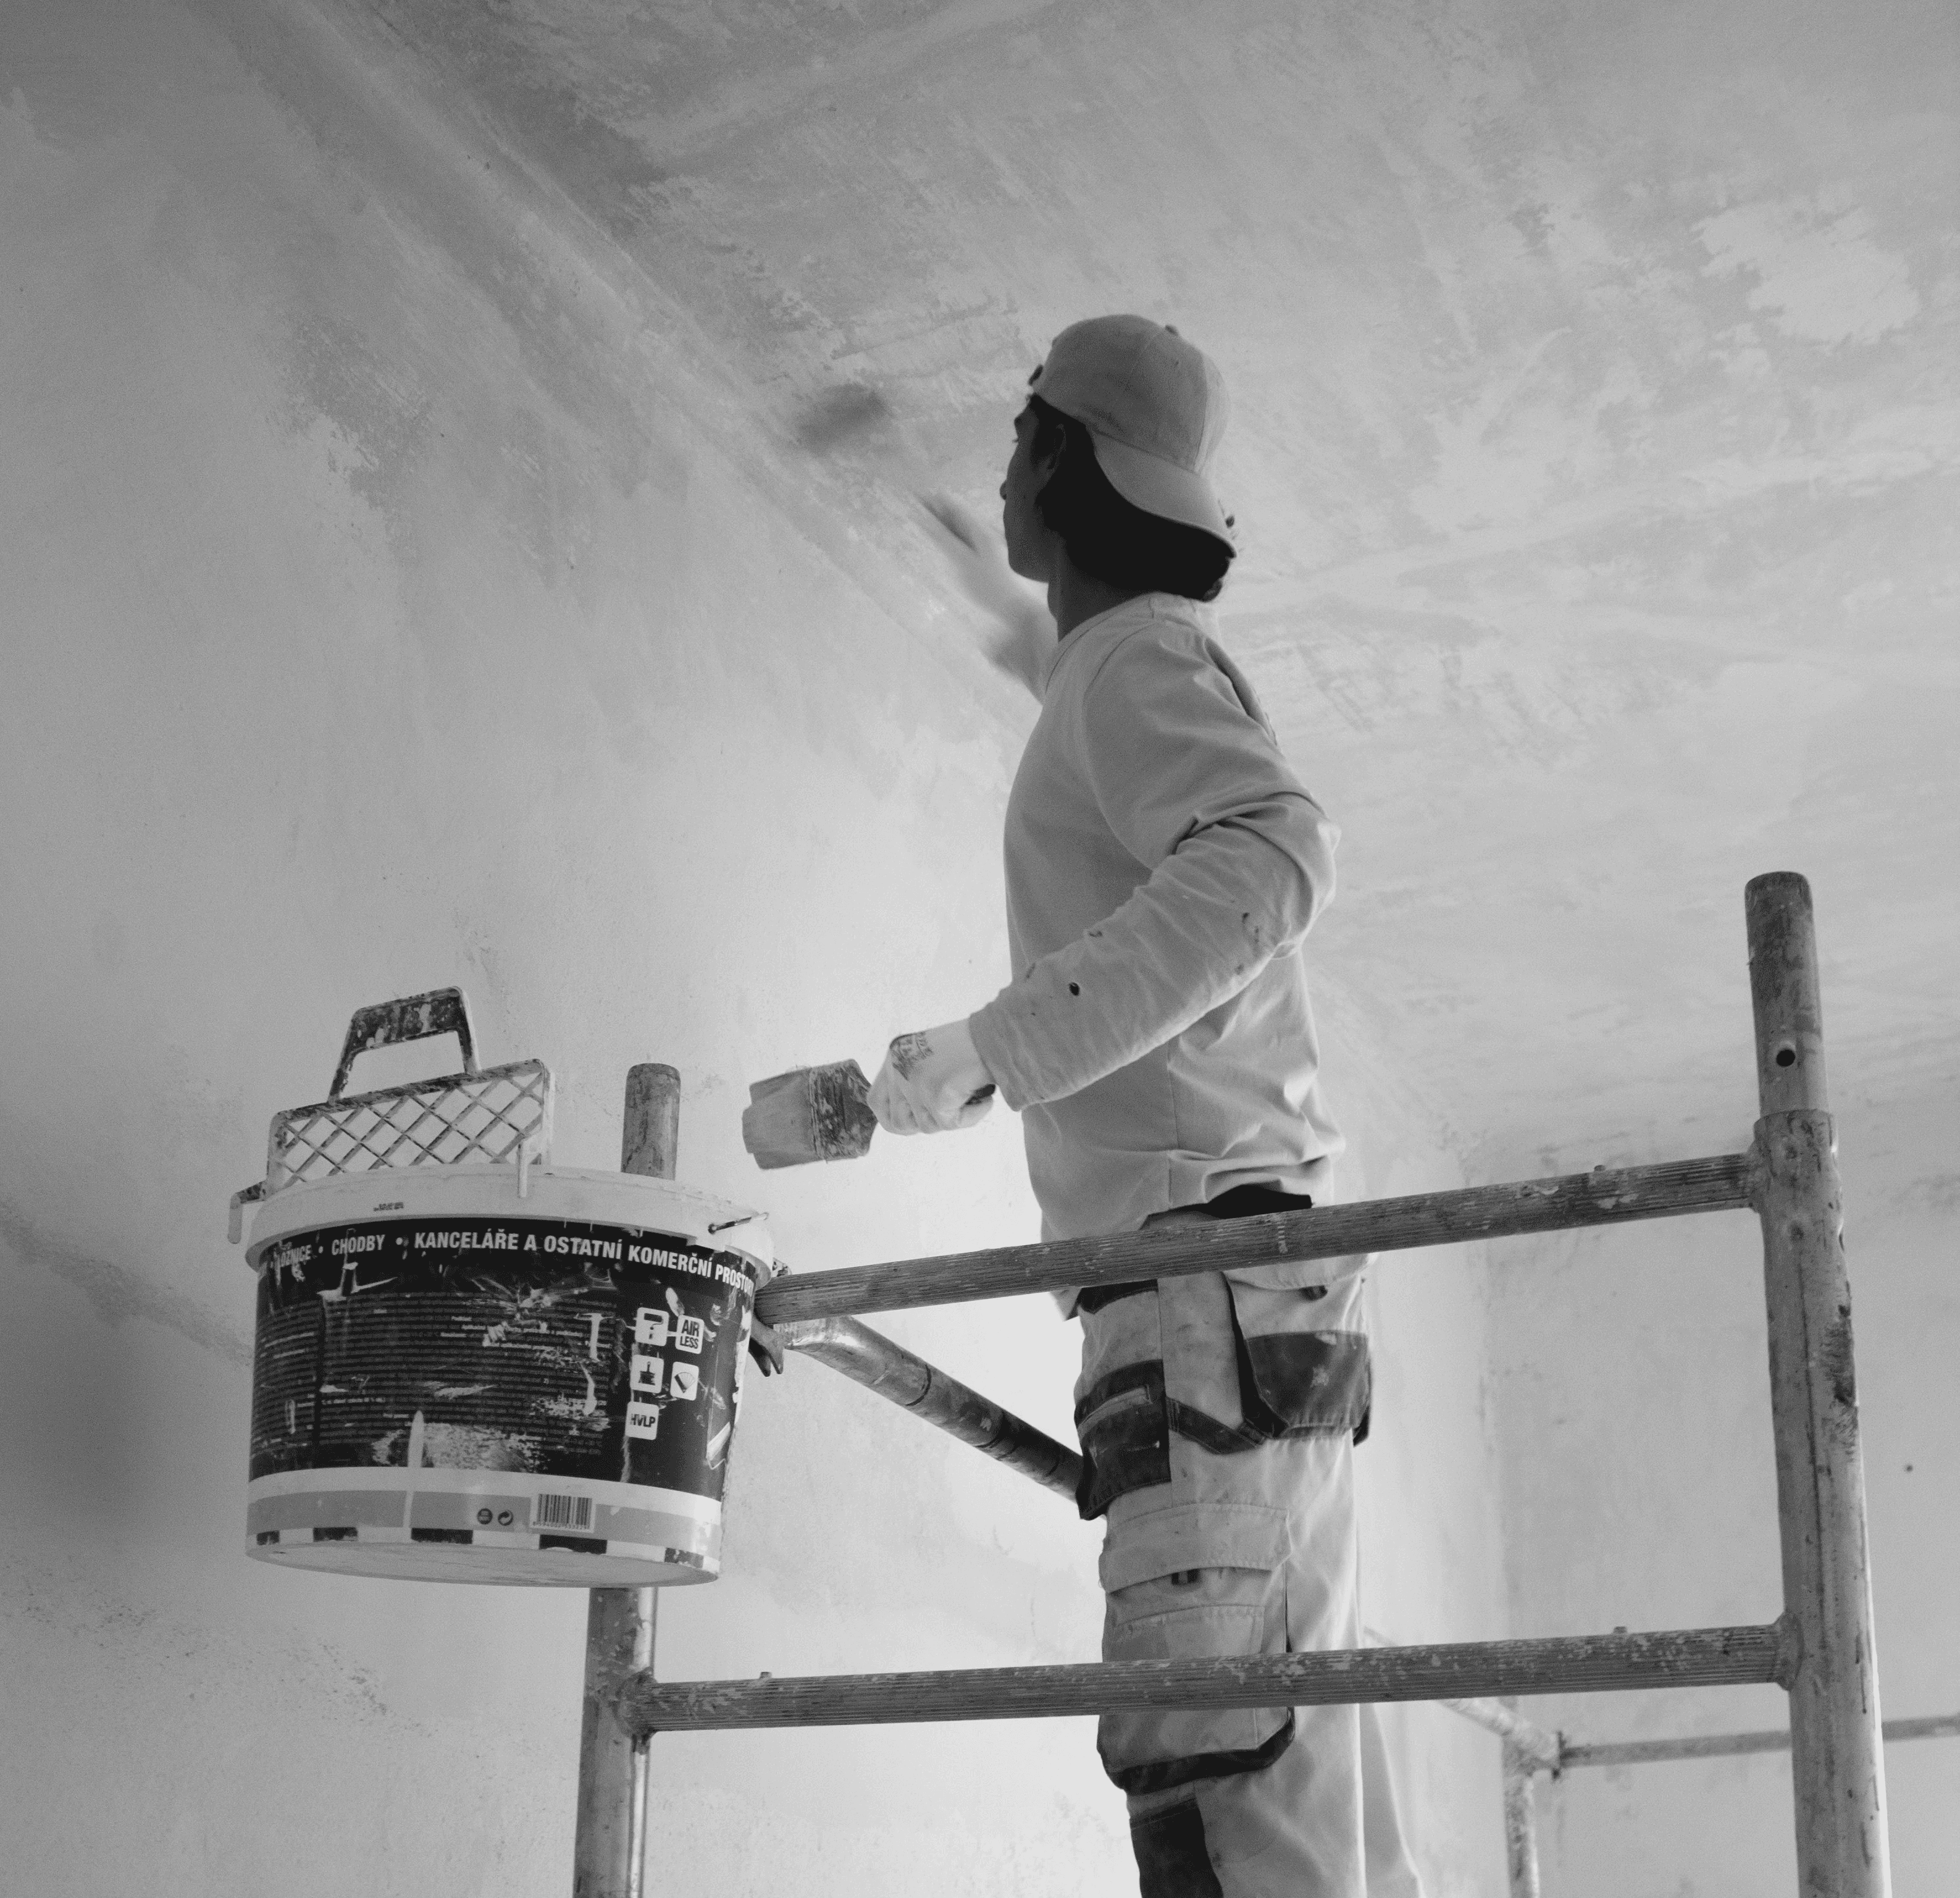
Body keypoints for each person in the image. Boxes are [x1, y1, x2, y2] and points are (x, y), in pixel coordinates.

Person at [867, 315, 1422, 1898]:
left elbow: (1269, 855)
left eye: (1017, 439)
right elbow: (1116, 725)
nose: (1001, 466)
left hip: (1195, 1289)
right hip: (1248, 1289)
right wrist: (1013, 604)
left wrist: (994, 1049)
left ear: (1064, 461)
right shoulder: (1122, 660)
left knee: (1221, 1779)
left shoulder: (1133, 662)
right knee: (1294, 1770)